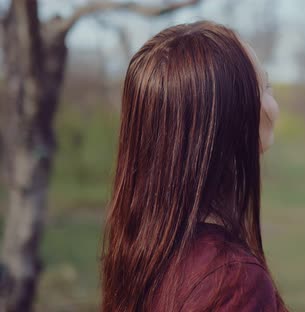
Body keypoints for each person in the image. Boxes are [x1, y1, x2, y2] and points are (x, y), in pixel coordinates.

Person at [100, 21, 287, 312]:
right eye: (264, 87)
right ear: (229, 119)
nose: (272, 104)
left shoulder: (142, 246)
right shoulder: (234, 280)